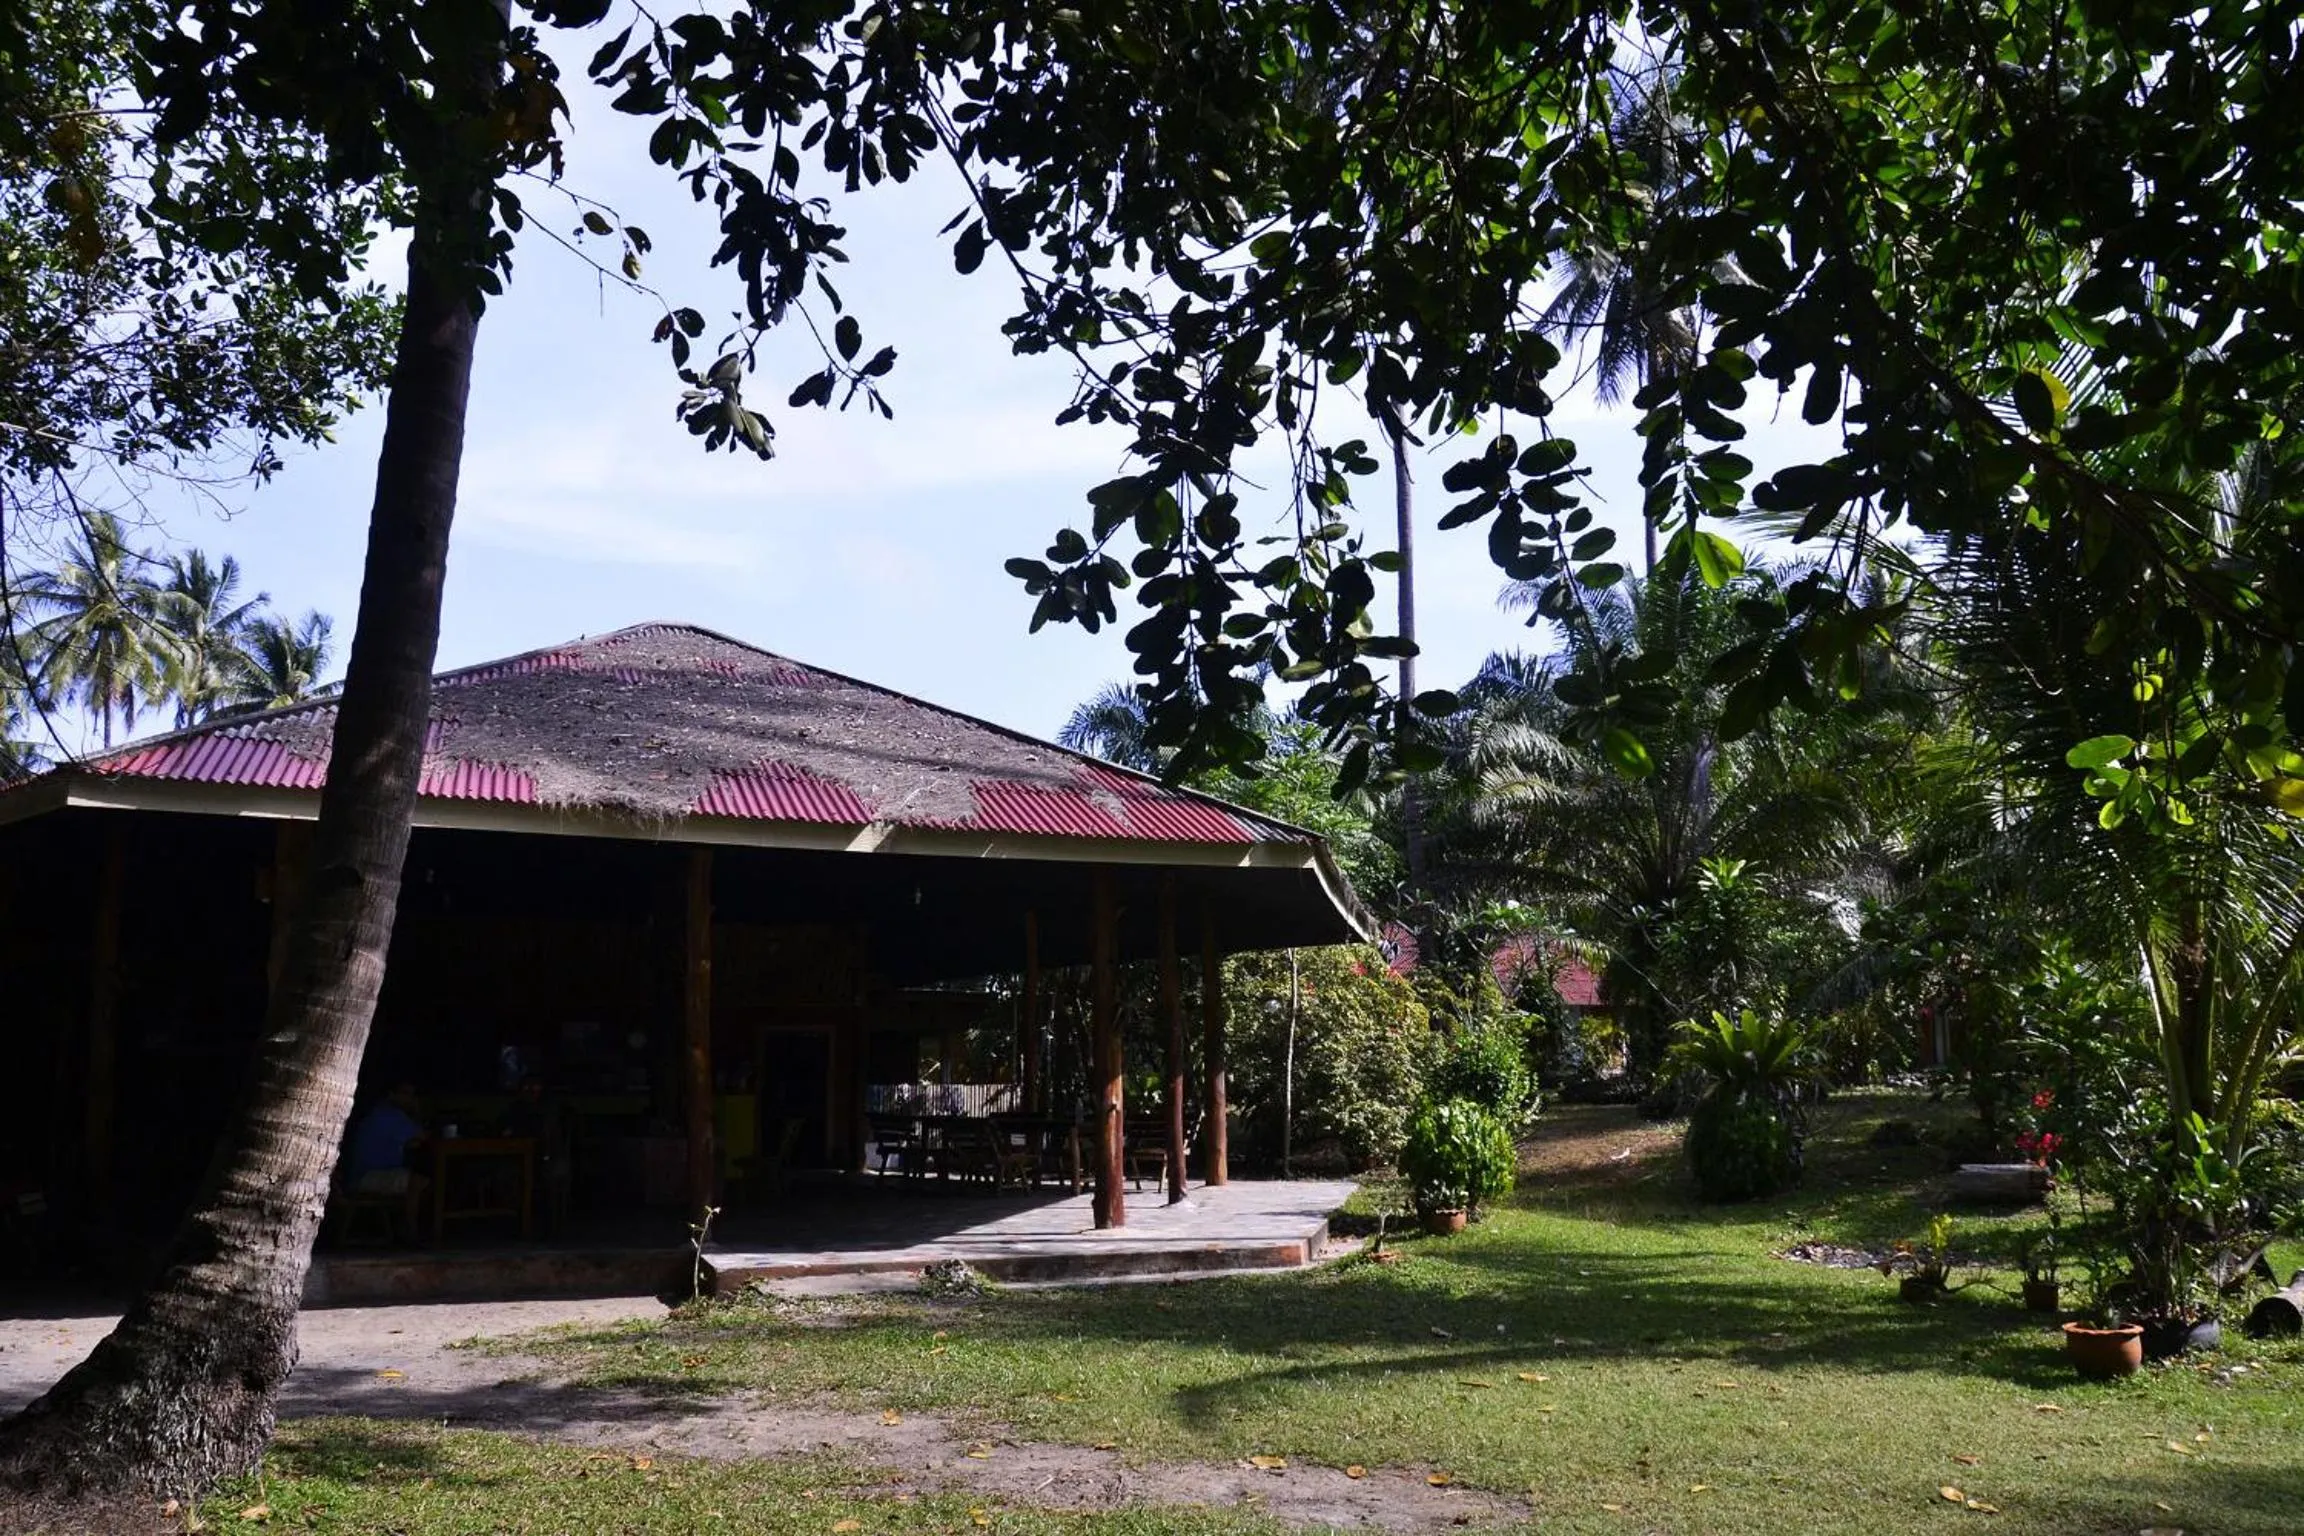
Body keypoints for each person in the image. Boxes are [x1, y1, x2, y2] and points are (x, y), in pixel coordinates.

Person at [342, 1083, 429, 1241]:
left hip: (370, 1174)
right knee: (418, 1181)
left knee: (418, 1175)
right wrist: (416, 1112)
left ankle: (405, 1227)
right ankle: (411, 1233)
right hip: (365, 1177)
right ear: (391, 1095)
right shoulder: (390, 1115)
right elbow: (422, 1136)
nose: (410, 1099)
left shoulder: (381, 1113)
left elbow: (411, 1141)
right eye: (406, 1094)